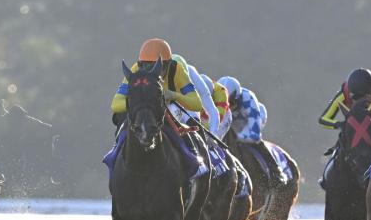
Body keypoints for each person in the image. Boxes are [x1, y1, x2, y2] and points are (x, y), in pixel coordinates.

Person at [106, 39, 204, 175]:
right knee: (121, 116)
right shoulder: (134, 71)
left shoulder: (177, 70)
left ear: (168, 65)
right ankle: (115, 153)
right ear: (139, 64)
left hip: (168, 109)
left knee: (177, 117)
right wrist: (136, 103)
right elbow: (115, 104)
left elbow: (196, 104)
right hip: (143, 110)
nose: (150, 71)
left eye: (156, 66)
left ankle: (191, 155)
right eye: (145, 66)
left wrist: (175, 95)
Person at [217, 76, 287, 186]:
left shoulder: (248, 99)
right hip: (231, 122)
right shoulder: (216, 97)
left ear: (236, 98)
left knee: (255, 142)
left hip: (251, 119)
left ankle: (276, 172)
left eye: (230, 102)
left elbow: (254, 133)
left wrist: (240, 138)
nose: (228, 106)